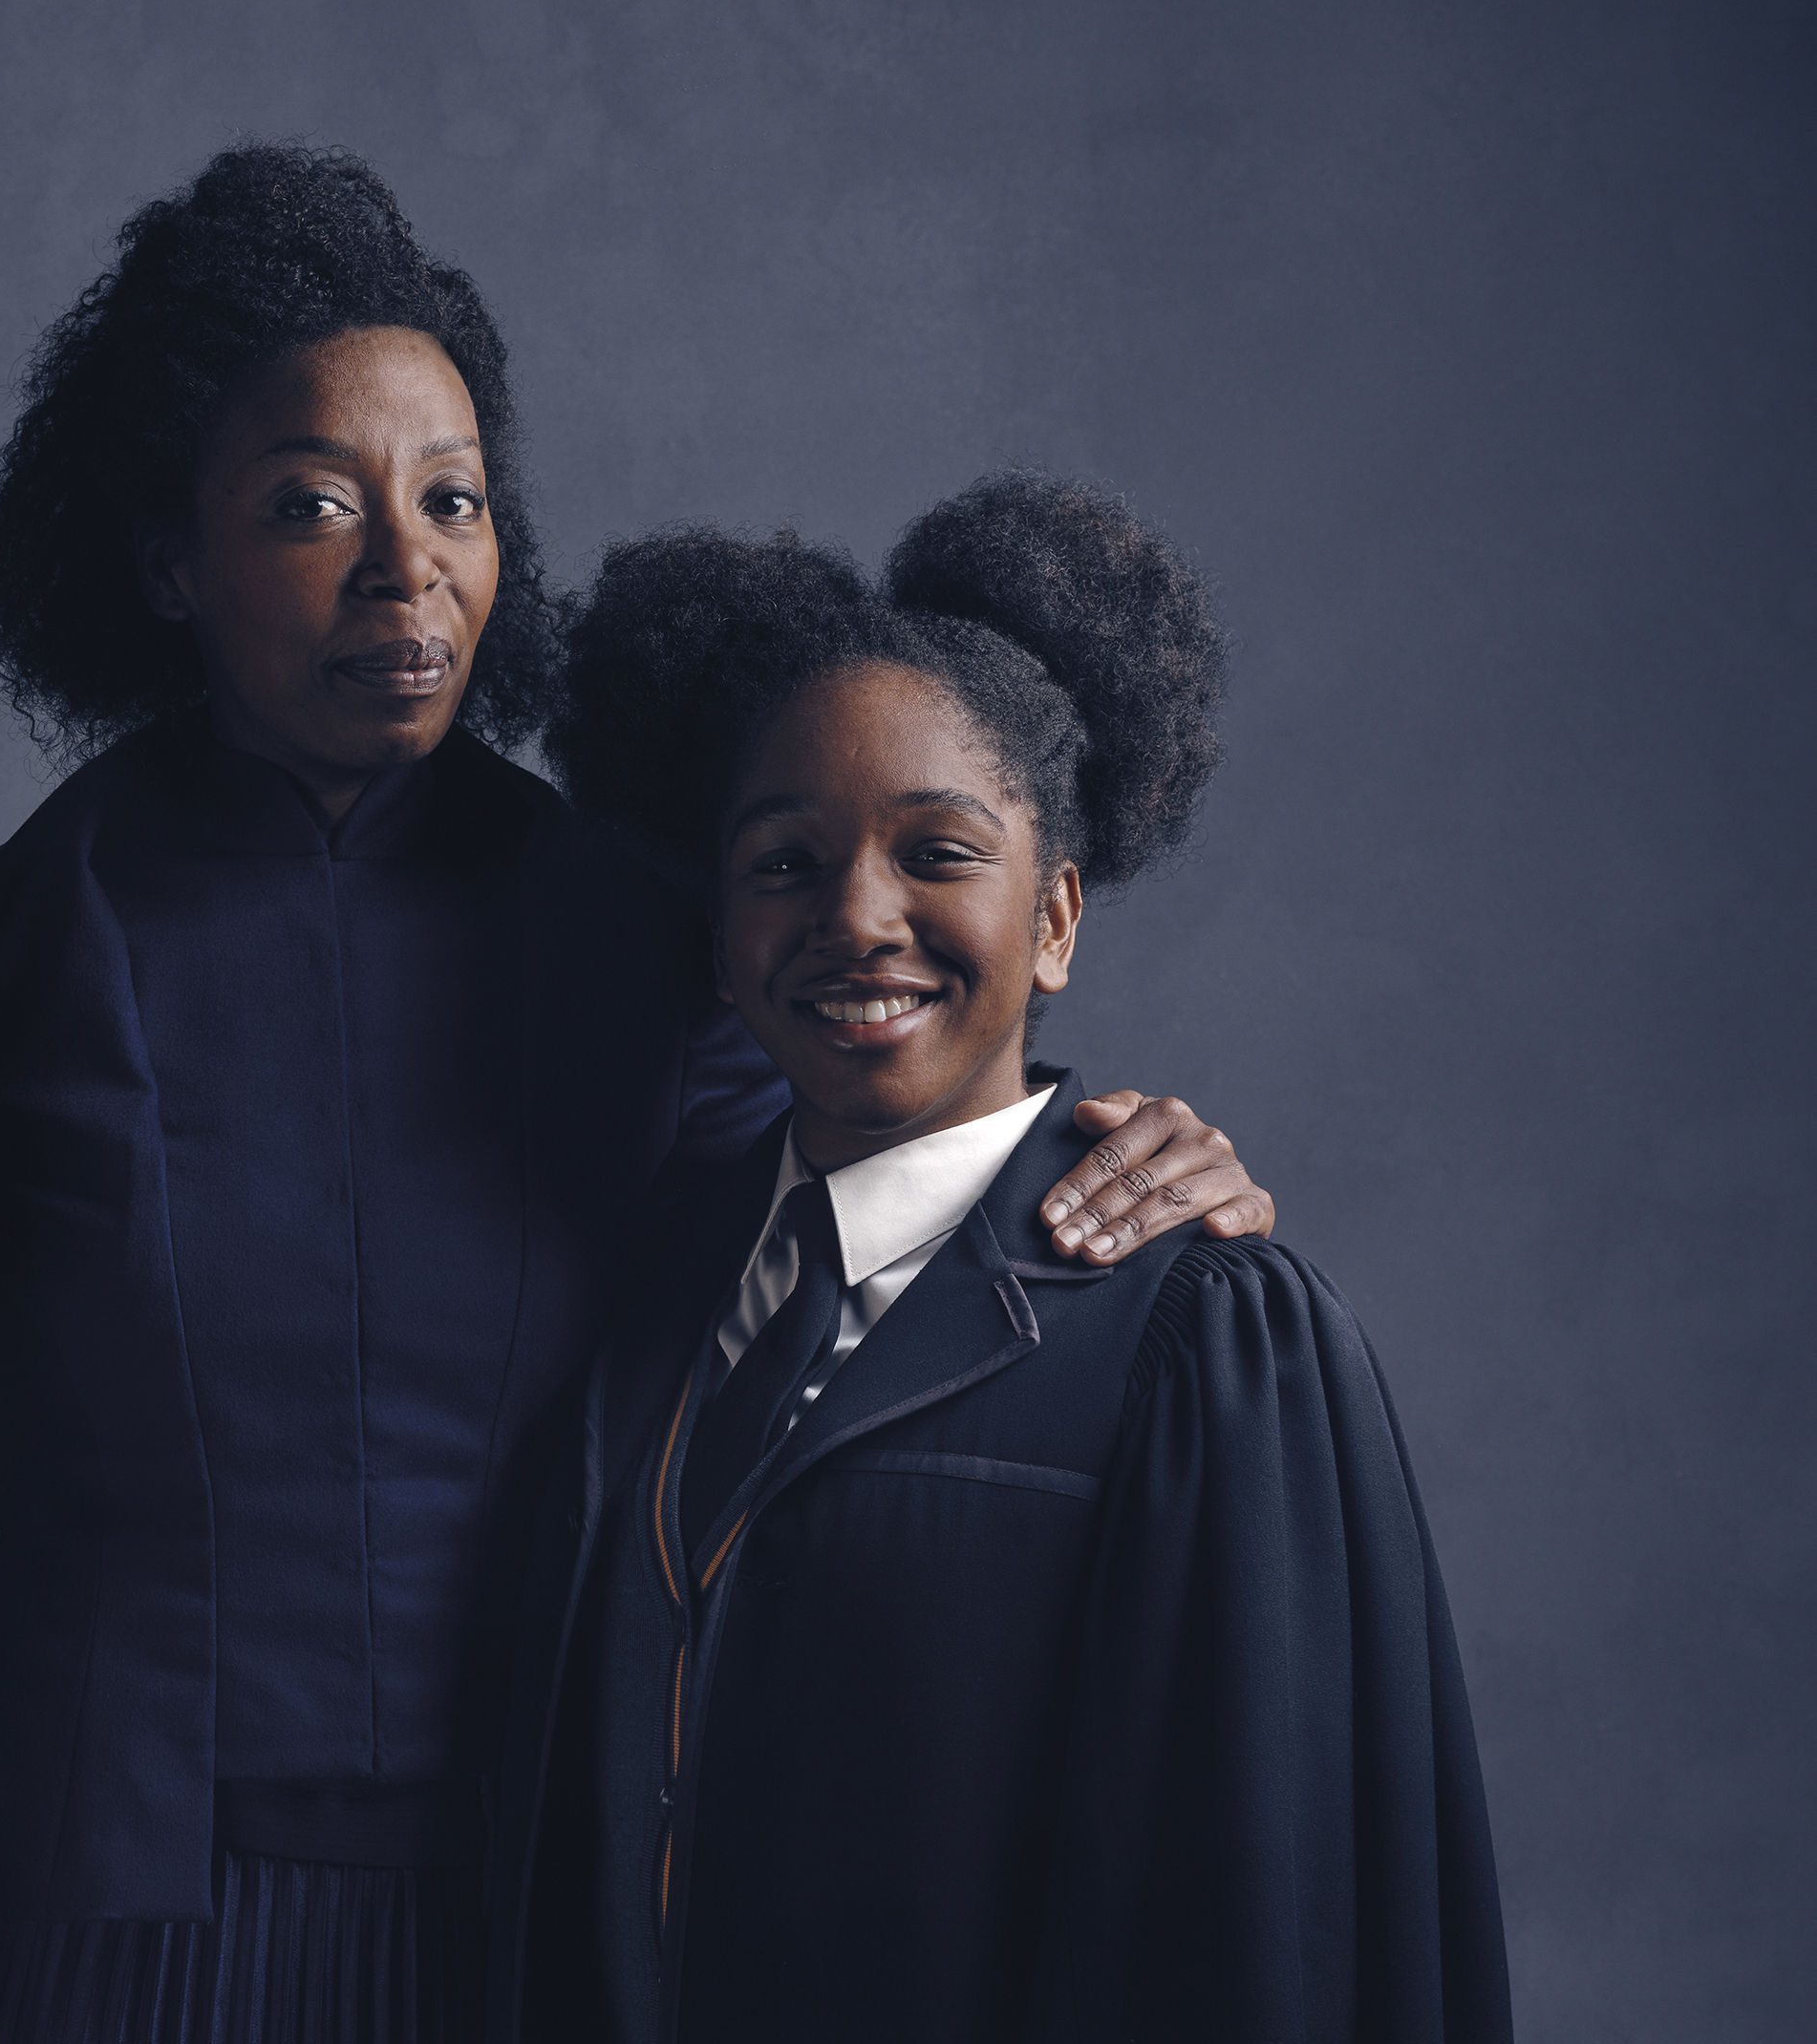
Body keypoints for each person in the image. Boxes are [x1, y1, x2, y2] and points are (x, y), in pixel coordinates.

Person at [0, 150, 1275, 2043]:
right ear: (167, 555)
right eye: (314, 503)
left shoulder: (648, 935)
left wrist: (1101, 1154)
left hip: (541, 1897)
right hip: (92, 1906)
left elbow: (858, 1210)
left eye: (454, 499)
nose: (408, 565)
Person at [495, 478, 1511, 2042]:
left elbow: (1255, 1920)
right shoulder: (656, 1295)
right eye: (784, 861)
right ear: (717, 924)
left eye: (937, 853)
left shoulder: (1195, 1334)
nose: (857, 917)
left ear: (1054, 920)